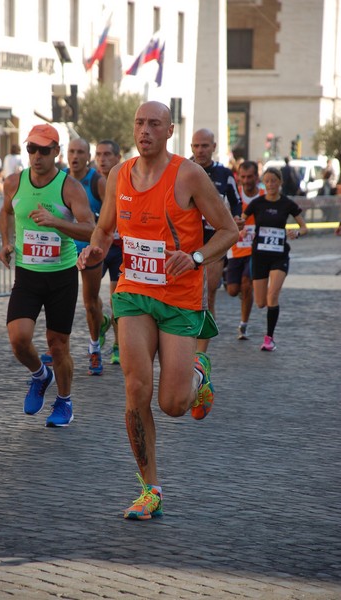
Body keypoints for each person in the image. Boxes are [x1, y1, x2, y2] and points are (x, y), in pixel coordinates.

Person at [77, 101, 239, 519]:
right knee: (136, 389)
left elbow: (228, 230)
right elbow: (106, 227)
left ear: (169, 131)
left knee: (173, 404)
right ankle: (150, 489)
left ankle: (198, 373)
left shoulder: (188, 174)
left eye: (154, 124)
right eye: (138, 123)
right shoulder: (118, 174)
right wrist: (95, 247)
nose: (144, 130)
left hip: (180, 296)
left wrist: (198, 259)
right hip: (133, 291)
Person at [0, 124, 95, 428]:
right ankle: (41, 374)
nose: (36, 156)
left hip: (61, 275)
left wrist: (55, 221)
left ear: (56, 151)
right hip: (28, 274)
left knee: (57, 344)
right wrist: (5, 242)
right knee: (18, 339)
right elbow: (6, 211)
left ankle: (64, 401)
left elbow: (90, 228)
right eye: (31, 149)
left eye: (43, 150)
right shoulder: (14, 182)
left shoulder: (70, 188)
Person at [242, 167, 308, 351]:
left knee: (273, 295)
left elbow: (304, 227)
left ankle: (269, 338)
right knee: (261, 302)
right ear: (264, 183)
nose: (270, 184)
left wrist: (296, 232)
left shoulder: (287, 204)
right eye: (267, 181)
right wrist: (238, 227)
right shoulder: (257, 203)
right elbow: (241, 219)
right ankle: (268, 334)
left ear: (280, 183)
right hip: (260, 255)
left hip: (279, 256)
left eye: (274, 181)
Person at [190, 128, 243, 352]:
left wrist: (238, 218)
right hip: (186, 242)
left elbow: (237, 201)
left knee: (209, 289)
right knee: (189, 293)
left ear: (214, 147)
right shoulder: (183, 171)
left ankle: (202, 351)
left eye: (204, 146)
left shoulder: (224, 175)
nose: (200, 150)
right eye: (196, 146)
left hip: (214, 241)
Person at [66, 137, 107, 375]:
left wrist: (99, 243)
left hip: (89, 251)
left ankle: (94, 349)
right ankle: (58, 348)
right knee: (59, 303)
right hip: (64, 252)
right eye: (72, 151)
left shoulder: (97, 182)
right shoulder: (60, 178)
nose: (76, 156)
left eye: (81, 151)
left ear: (88, 156)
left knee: (90, 304)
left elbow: (109, 215)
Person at [226, 160, 265, 340]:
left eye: (250, 177)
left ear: (257, 177)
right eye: (243, 177)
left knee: (246, 282)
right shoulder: (235, 197)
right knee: (233, 290)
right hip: (235, 249)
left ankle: (243, 324)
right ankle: (245, 294)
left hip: (256, 250)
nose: (246, 180)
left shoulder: (265, 196)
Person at [94, 139, 123, 365]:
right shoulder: (89, 183)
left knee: (117, 301)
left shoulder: (125, 181)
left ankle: (117, 344)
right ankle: (100, 323)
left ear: (117, 158)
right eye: (98, 155)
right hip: (97, 248)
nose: (102, 160)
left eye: (107, 155)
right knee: (90, 301)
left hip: (120, 250)